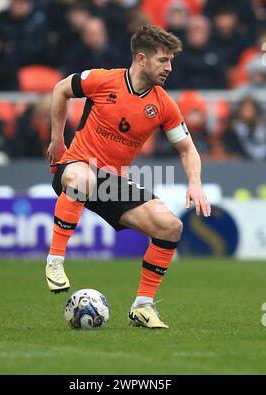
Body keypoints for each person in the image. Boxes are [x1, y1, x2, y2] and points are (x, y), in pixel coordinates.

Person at [46, 25, 211, 329]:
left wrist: (195, 182)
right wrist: (57, 140)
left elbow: (188, 149)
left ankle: (142, 306)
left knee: (170, 227)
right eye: (163, 60)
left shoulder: (163, 105)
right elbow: (61, 89)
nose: (169, 67)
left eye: (171, 61)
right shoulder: (103, 79)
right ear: (141, 58)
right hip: (76, 166)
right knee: (83, 179)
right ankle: (55, 260)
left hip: (112, 182)